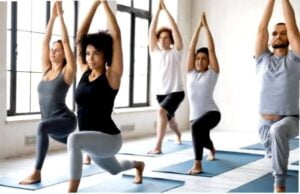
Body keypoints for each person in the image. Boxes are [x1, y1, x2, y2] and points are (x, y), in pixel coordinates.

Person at [67, 1, 144, 192]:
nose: (90, 58)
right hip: (91, 142)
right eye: (87, 53)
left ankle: (71, 191)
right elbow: (79, 37)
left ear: (105, 55)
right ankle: (138, 165)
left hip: (109, 138)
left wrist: (105, 5)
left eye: (96, 54)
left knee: (73, 139)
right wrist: (94, 5)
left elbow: (116, 36)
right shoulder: (85, 72)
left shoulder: (112, 76)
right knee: (115, 169)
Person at [19, 1, 77, 185]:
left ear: (64, 54)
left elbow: (67, 42)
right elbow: (45, 41)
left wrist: (61, 17)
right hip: (53, 128)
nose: (53, 53)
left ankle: (36, 172)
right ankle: (88, 148)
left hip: (65, 121)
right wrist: (51, 17)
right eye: (52, 50)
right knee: (75, 143)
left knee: (41, 126)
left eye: (57, 50)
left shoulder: (67, 73)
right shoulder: (46, 70)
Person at [255, 0, 300, 192]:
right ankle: (271, 149)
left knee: (278, 132)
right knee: (271, 139)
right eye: (275, 33)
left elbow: (293, 28)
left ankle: (279, 184)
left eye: (283, 33)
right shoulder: (262, 59)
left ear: (289, 37)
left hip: (290, 120)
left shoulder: (295, 58)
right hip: (263, 125)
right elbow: (261, 29)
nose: (278, 36)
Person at [186, 13, 221, 175]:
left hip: (212, 113)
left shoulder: (212, 73)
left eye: (204, 59)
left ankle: (198, 164)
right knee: (203, 140)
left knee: (195, 127)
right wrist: (197, 28)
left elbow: (212, 49)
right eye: (198, 58)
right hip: (195, 116)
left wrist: (206, 28)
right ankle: (212, 148)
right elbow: (191, 49)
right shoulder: (190, 73)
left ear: (208, 62)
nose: (200, 61)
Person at [148, 0, 185, 154]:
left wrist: (166, 12)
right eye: (161, 38)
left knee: (161, 112)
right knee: (170, 121)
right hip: (160, 93)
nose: (163, 40)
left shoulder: (176, 53)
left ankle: (158, 146)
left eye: (166, 38)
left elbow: (175, 29)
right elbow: (151, 32)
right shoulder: (154, 53)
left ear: (171, 40)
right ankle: (178, 134)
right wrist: (157, 12)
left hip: (176, 92)